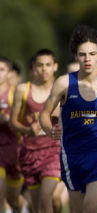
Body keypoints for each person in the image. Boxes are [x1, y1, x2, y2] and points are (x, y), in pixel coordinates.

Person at [40, 25, 97, 213]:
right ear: (76, 56)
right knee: (80, 210)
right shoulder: (64, 83)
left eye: (92, 54)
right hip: (71, 157)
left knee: (89, 207)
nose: (87, 59)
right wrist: (50, 130)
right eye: (82, 54)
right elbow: (44, 113)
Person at [10, 49, 61, 212]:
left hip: (54, 151)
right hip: (30, 153)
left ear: (55, 67)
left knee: (48, 197)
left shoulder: (62, 90)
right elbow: (13, 122)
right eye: (40, 65)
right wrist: (27, 129)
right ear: (33, 68)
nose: (44, 69)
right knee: (38, 206)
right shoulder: (23, 90)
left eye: (48, 65)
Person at [0, 56, 24, 212]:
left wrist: (9, 120)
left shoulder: (17, 94)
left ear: (9, 73)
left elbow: (26, 123)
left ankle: (24, 209)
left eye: (1, 70)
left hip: (16, 152)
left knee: (13, 200)